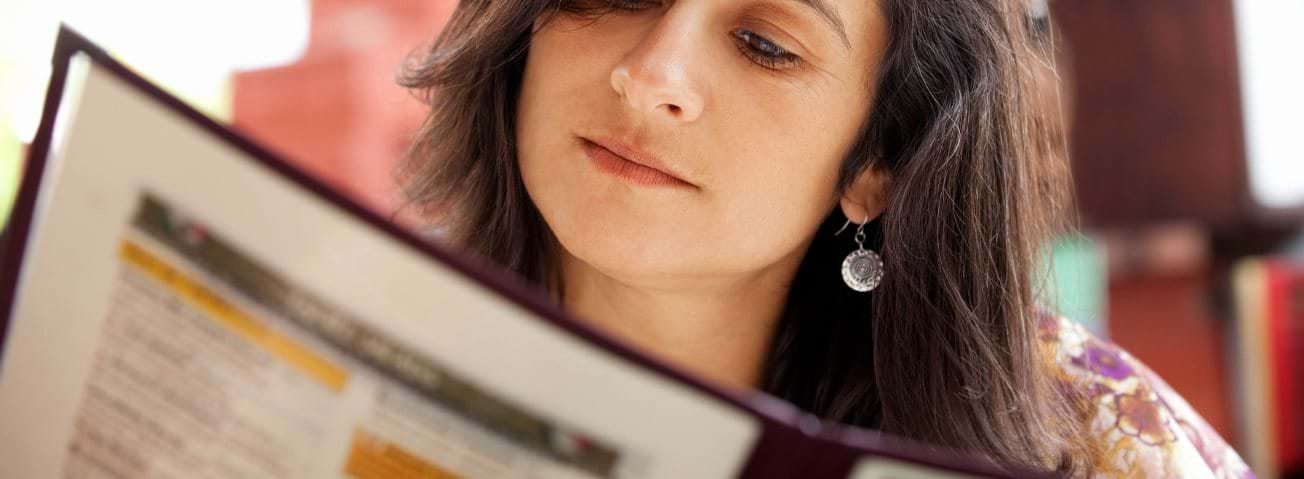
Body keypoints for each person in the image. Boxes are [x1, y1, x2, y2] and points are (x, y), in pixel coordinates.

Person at [396, 0, 1254, 476]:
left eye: (764, 45)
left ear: (876, 159)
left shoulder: (1110, 448)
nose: (651, 74)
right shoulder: (351, 321)